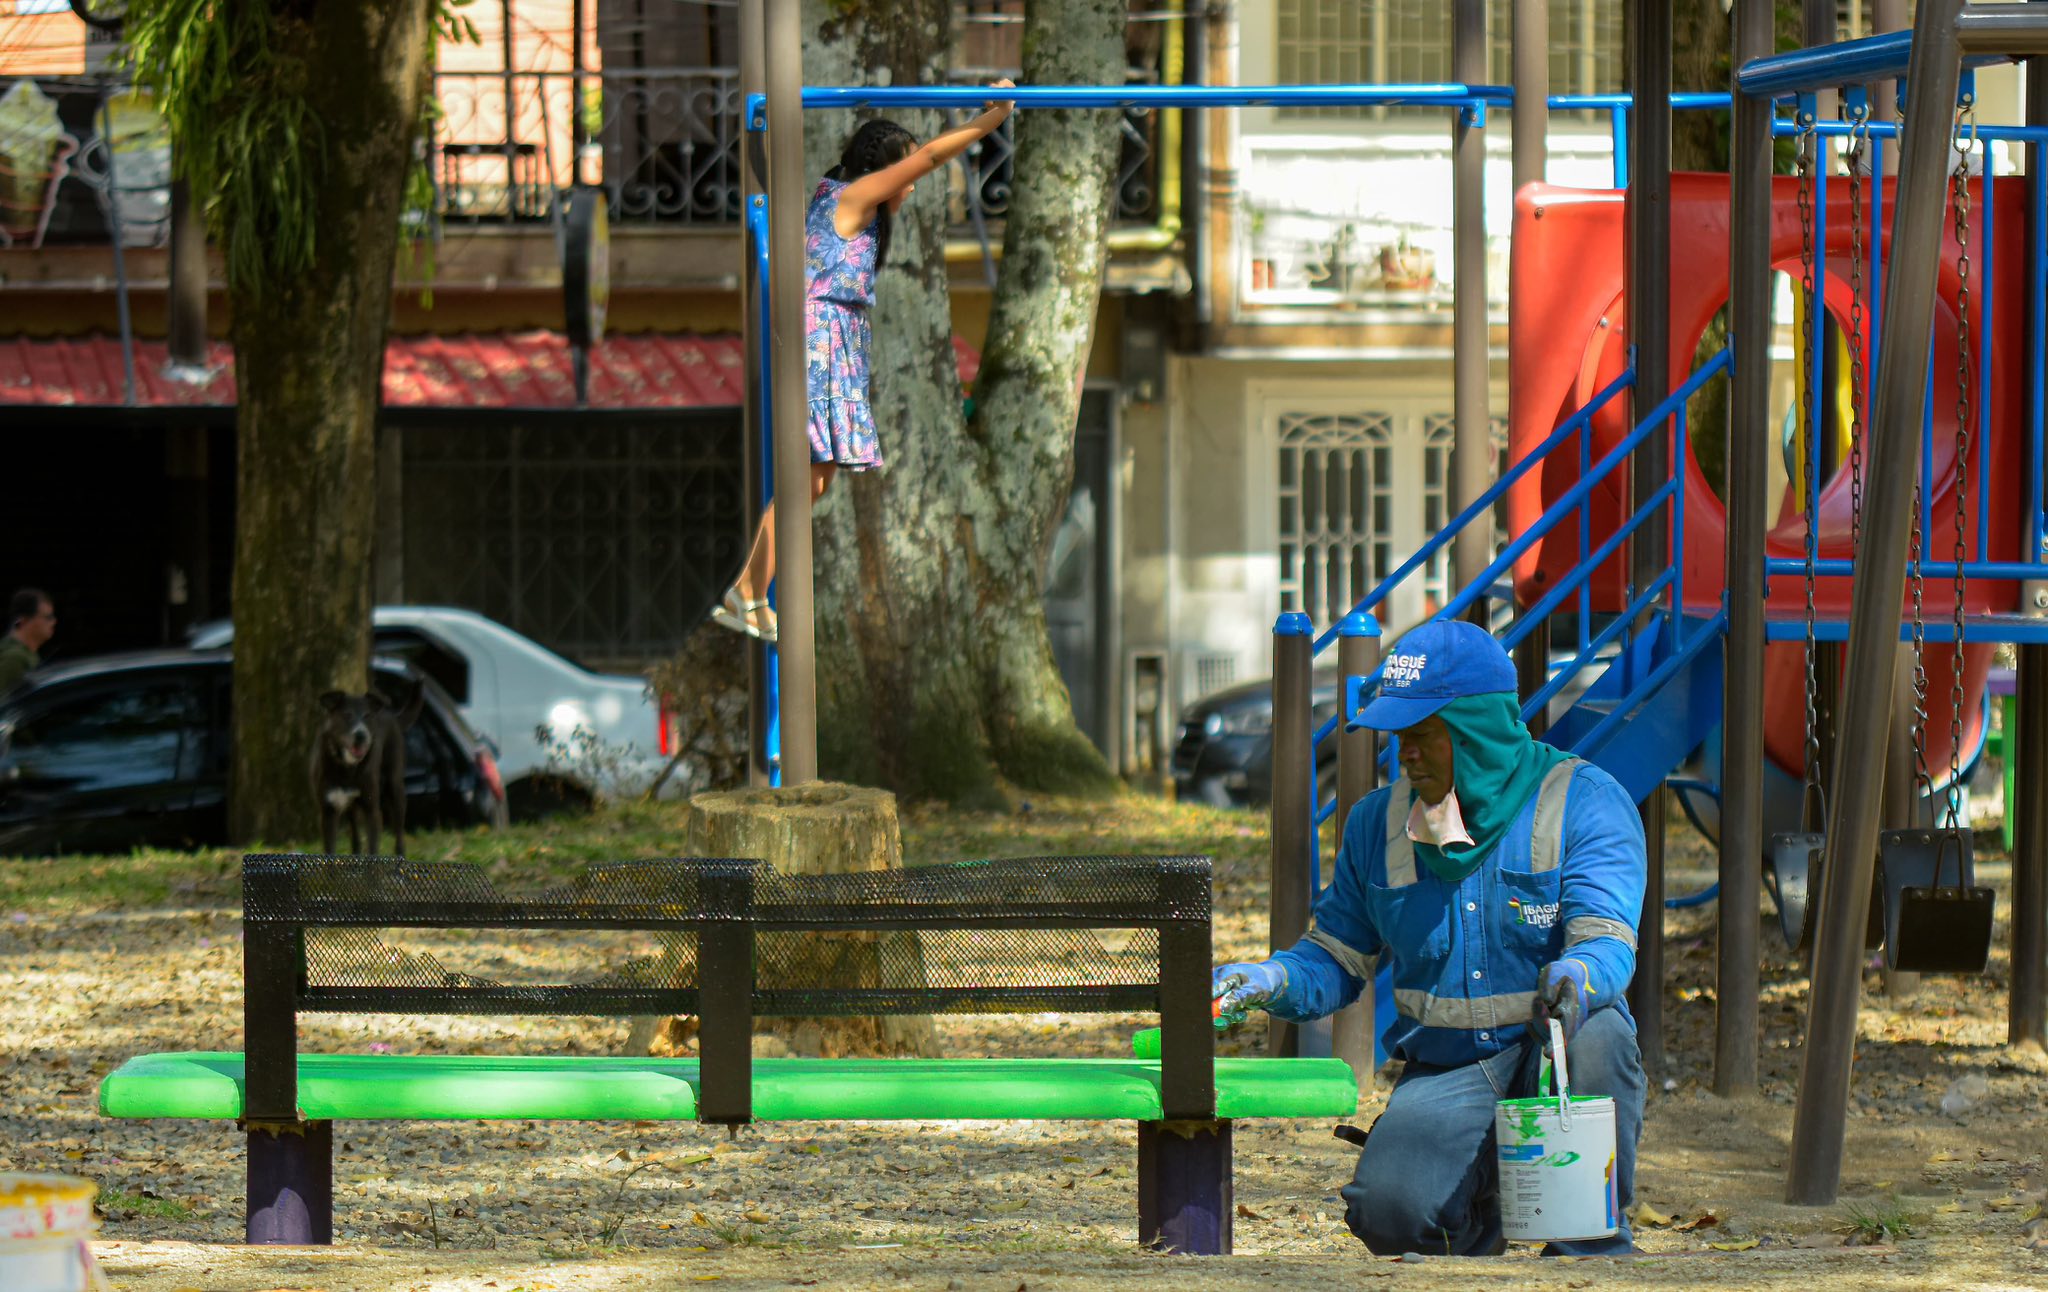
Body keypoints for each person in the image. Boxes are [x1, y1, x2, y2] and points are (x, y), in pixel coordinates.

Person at [1213, 619, 1646, 1257]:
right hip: (1448, 1068)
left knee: (1600, 1032)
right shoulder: (1375, 825)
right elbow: (1335, 958)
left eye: (1420, 737)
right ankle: (1487, 1204)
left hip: (1550, 1047)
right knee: (1389, 1217)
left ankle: (1585, 1240)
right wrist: (1271, 979)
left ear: (1473, 733)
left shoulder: (1584, 802)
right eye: (1398, 739)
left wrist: (1578, 976)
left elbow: (1607, 939)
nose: (1403, 754)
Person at [712, 82, 1018, 644]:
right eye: (899, 172)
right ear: (883, 168)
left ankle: (749, 589)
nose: (908, 186)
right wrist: (992, 117)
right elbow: (928, 159)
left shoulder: (845, 200)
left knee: (818, 478)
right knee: (806, 478)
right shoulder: (852, 198)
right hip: (821, 334)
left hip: (835, 336)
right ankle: (749, 592)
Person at [0, 588, 55, 693]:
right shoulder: (14, 658)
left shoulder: (20, 653)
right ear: (24, 621)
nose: (54, 622)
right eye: (48, 617)